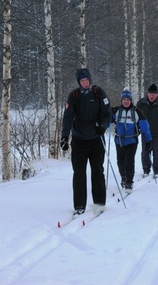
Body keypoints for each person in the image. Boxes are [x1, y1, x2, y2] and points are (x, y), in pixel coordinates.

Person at [60, 68, 112, 215]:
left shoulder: (98, 93)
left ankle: (100, 203)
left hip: (96, 139)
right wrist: (64, 137)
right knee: (79, 173)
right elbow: (68, 117)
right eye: (82, 81)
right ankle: (79, 206)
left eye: (87, 80)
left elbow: (107, 112)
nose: (85, 83)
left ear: (90, 80)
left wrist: (103, 126)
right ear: (79, 82)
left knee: (97, 171)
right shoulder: (74, 96)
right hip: (79, 140)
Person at [112, 90, 152, 193]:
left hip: (132, 141)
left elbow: (145, 127)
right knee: (120, 162)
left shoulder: (137, 112)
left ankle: (129, 182)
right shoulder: (116, 111)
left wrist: (148, 141)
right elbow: (106, 119)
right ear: (121, 100)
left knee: (129, 161)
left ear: (131, 100)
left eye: (128, 100)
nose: (126, 102)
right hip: (119, 141)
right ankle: (123, 178)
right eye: (124, 99)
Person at [137, 83, 158, 178]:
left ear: (157, 94)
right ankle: (146, 169)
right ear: (147, 94)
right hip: (145, 132)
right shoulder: (141, 103)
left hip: (157, 131)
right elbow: (136, 116)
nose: (151, 96)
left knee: (156, 151)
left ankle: (157, 170)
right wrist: (137, 126)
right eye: (150, 94)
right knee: (145, 151)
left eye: (153, 94)